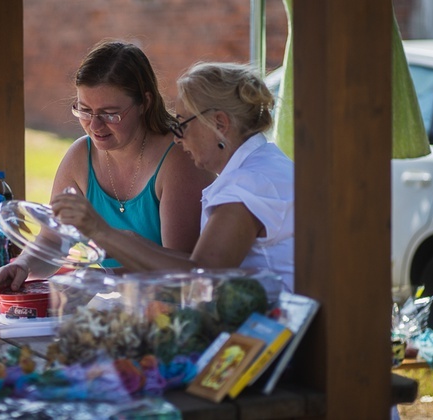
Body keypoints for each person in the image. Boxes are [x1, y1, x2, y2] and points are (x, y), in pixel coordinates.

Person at [50, 62, 295, 292]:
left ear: (219, 123)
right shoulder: (263, 163)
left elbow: (201, 277)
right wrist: (115, 260)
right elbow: (196, 262)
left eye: (183, 124)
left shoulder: (247, 184)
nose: (177, 138)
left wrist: (102, 232)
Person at [0, 40, 215, 291]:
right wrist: (22, 265)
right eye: (85, 111)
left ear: (146, 102)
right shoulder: (80, 155)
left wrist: (100, 279)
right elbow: (55, 240)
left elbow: (179, 271)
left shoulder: (179, 159)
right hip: (113, 306)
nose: (95, 126)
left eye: (110, 114)